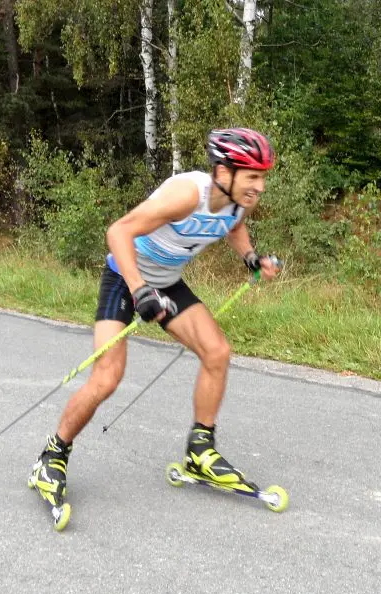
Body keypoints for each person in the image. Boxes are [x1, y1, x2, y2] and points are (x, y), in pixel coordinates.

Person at [30, 127, 281, 510]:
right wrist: (139, 290)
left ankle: (200, 451)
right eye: (252, 176)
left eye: (262, 177)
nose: (259, 186)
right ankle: (51, 458)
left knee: (217, 352)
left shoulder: (237, 200)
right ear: (223, 172)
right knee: (107, 378)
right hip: (125, 277)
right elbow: (118, 231)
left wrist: (250, 257)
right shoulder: (186, 193)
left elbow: (234, 225)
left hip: (167, 282)